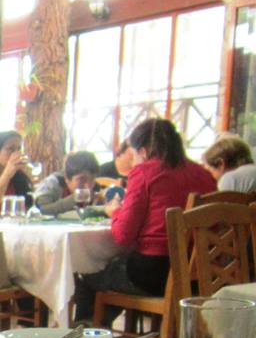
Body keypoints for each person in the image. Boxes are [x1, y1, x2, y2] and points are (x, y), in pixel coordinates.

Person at [74, 118, 216, 325]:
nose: (133, 162)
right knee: (113, 271)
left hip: (155, 274)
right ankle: (107, 329)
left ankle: (87, 336)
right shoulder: (204, 174)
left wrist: (115, 211)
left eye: (133, 155)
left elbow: (123, 235)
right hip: (199, 274)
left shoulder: (145, 172)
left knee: (90, 272)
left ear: (143, 151)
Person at [34, 150, 99, 216]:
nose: (88, 186)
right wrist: (75, 198)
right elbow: (41, 210)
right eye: (81, 180)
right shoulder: (52, 184)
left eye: (92, 179)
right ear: (66, 178)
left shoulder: (96, 188)